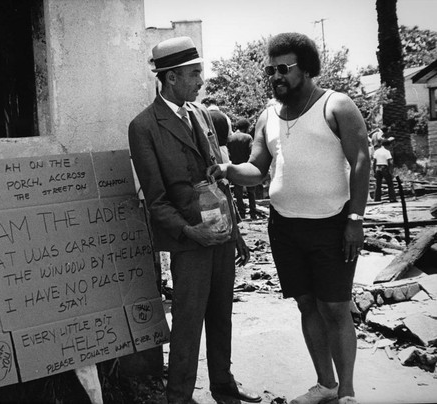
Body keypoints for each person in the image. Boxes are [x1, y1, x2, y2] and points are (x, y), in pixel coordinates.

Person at [207, 32, 370, 404]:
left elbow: (361, 161)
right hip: (285, 227)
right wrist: (227, 169)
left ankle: (347, 392)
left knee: (335, 307)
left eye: (284, 68)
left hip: (333, 223)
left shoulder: (336, 105)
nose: (275, 76)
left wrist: (356, 218)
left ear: (307, 69)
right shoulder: (269, 115)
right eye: (271, 70)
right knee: (307, 304)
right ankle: (325, 384)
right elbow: (257, 170)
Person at [128, 36, 261, 404]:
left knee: (222, 317)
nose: (201, 80)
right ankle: (180, 397)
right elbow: (155, 200)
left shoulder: (201, 113)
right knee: (188, 324)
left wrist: (235, 232)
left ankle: (224, 388)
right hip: (189, 243)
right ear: (170, 78)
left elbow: (217, 178)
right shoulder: (144, 127)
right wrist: (190, 231)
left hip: (220, 235)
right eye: (194, 73)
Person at [227, 118, 258, 219]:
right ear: (246, 128)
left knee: (238, 192)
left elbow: (228, 154)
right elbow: (251, 152)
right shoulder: (248, 137)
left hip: (235, 168)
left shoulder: (230, 138)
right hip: (247, 167)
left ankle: (242, 214)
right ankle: (253, 214)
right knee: (251, 191)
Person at [202, 97, 232, 163]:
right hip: (223, 151)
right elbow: (229, 136)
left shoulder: (203, 116)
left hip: (209, 152)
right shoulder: (225, 117)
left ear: (206, 104)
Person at [373, 138, 397, 202]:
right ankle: (392, 198)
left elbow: (374, 162)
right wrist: (391, 171)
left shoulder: (376, 151)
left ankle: (377, 198)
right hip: (384, 168)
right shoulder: (387, 152)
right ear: (387, 145)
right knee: (390, 184)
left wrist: (374, 171)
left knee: (378, 184)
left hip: (378, 168)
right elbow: (391, 162)